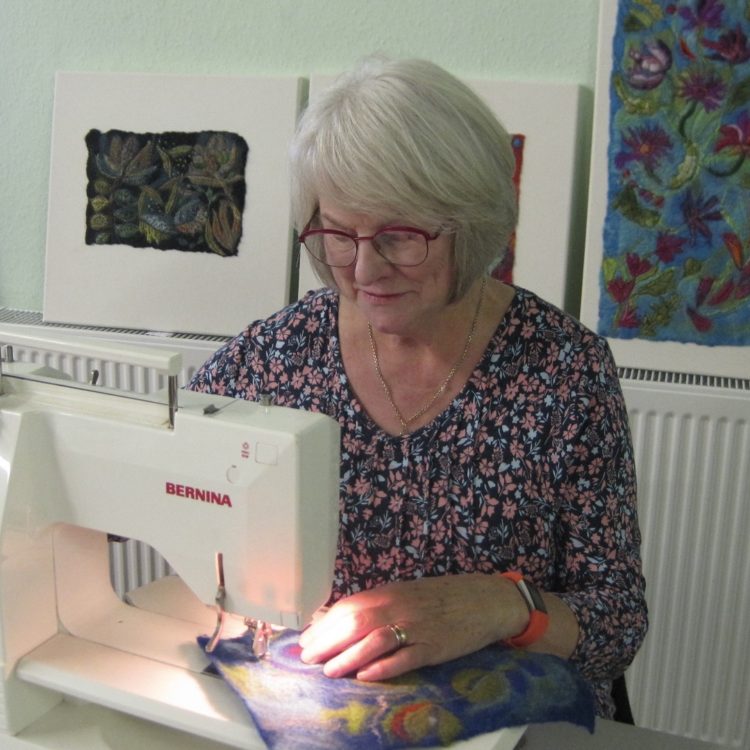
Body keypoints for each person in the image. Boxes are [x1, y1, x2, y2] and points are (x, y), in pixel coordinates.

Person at [188, 56, 648, 719]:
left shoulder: (565, 374)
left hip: (512, 721)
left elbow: (615, 626)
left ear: (474, 224)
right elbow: (165, 467)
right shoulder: (276, 355)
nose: (365, 269)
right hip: (332, 714)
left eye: (400, 237)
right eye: (339, 235)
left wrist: (497, 605)